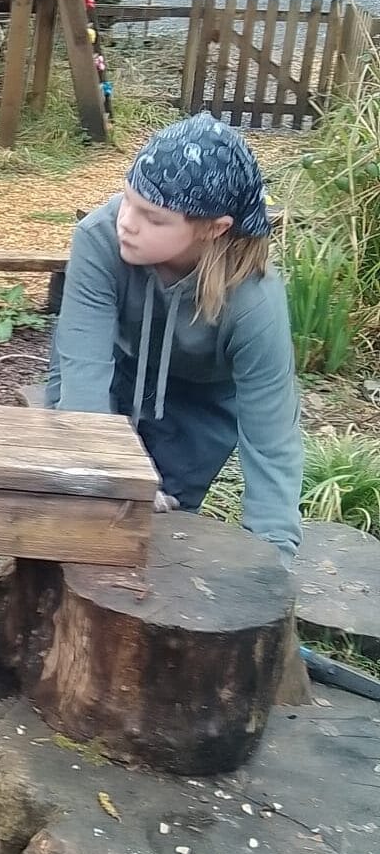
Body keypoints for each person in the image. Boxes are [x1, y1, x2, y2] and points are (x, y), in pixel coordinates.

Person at [46, 113, 302, 566]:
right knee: (77, 508)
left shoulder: (255, 304)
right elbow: (82, 377)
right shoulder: (99, 239)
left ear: (214, 228)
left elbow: (272, 442)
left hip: (202, 406)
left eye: (153, 218)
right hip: (110, 368)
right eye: (127, 200)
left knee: (161, 536)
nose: (126, 222)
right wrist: (110, 482)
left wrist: (273, 565)